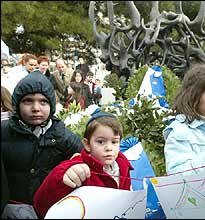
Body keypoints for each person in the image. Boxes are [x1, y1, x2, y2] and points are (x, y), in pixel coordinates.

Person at [1, 71, 84, 205]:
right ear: (17, 104)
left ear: (51, 105)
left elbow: (83, 159)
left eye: (43, 102)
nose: (36, 108)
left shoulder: (63, 136)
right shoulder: (4, 133)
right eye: (28, 101)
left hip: (50, 208)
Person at [33, 111, 132, 218]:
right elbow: (41, 203)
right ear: (87, 144)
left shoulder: (123, 166)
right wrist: (63, 179)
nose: (109, 148)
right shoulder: (77, 167)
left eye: (114, 142)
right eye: (101, 142)